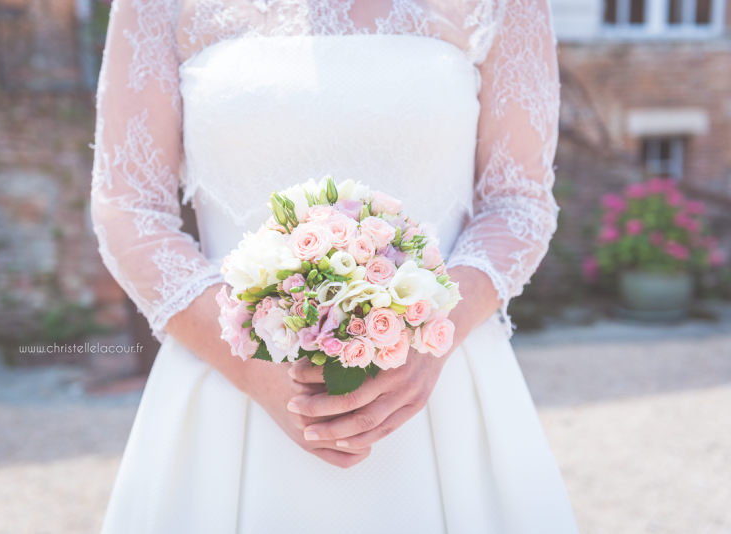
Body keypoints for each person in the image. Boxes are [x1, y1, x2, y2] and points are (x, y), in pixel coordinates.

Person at [91, 0, 579, 531]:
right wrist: (256, 370)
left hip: (439, 391)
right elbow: (129, 207)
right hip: (229, 389)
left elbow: (517, 202)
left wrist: (431, 336)